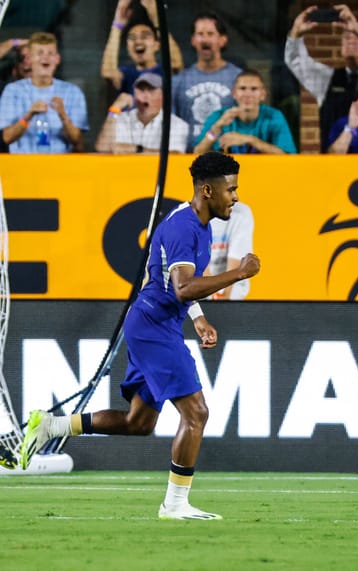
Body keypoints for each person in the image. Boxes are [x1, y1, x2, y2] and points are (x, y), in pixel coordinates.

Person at [19, 151, 261, 520]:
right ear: (208, 190)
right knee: (196, 413)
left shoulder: (200, 224)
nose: (236, 197)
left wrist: (197, 317)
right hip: (153, 328)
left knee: (139, 422)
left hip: (154, 323)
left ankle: (51, 426)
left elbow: (173, 282)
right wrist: (239, 273)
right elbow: (183, 287)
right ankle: (175, 505)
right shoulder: (183, 228)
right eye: (231, 189)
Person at [285, 4, 358, 152]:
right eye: (346, 37)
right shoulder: (327, 79)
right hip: (334, 161)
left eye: (357, 37)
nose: (351, 41)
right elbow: (296, 61)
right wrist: (295, 35)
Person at [0, 32, 88, 153]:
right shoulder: (13, 91)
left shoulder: (73, 92)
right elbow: (7, 137)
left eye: (50, 53)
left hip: (59, 162)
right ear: (30, 59)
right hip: (23, 162)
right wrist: (28, 115)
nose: (45, 58)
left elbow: (78, 142)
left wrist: (63, 115)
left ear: (57, 59)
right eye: (40, 53)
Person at [173, 11, 243, 151]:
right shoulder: (179, 81)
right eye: (200, 34)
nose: (205, 40)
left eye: (210, 34)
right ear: (193, 40)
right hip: (189, 156)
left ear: (223, 40)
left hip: (226, 155)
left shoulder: (238, 78)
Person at [194, 69, 296, 154]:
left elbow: (288, 157)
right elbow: (197, 152)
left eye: (254, 89)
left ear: (263, 94)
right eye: (242, 88)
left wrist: (250, 140)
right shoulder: (219, 116)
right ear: (234, 93)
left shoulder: (273, 116)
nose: (248, 94)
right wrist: (217, 127)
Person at [100, 0, 183, 96]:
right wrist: (117, 24)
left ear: (157, 45)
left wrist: (157, 19)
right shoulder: (127, 74)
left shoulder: (163, 71)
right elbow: (108, 73)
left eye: (145, 36)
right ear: (127, 49)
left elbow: (176, 64)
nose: (138, 42)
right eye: (132, 38)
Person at [95, 72, 189, 154]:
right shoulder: (120, 119)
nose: (145, 96)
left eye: (151, 90)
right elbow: (102, 148)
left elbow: (175, 155)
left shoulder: (177, 124)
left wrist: (138, 149)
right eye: (141, 90)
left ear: (164, 95)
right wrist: (114, 109)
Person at [206, 201, 254, 300]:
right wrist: (213, 297)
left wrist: (225, 300)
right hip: (198, 287)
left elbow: (237, 265)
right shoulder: (188, 217)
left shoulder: (241, 214)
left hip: (232, 288)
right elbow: (199, 265)